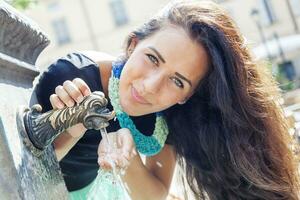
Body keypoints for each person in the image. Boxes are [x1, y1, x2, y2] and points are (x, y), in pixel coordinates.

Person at [32, 0, 300, 199]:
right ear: (132, 45)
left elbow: (156, 193)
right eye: (152, 58)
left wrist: (127, 161)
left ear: (188, 96)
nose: (150, 87)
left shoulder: (170, 115)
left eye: (178, 81)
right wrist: (73, 125)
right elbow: (22, 166)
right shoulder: (72, 78)